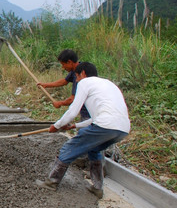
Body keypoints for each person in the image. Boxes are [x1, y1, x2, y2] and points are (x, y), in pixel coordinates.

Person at [36, 62, 130, 199]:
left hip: (105, 125)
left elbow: (73, 111)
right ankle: (97, 188)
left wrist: (56, 126)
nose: (77, 80)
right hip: (122, 129)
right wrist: (74, 126)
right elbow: (96, 118)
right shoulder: (109, 84)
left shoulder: (85, 83)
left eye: (77, 77)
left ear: (83, 73)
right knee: (94, 149)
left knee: (69, 148)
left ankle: (51, 182)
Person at [37, 49, 90, 121]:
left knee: (85, 129)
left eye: (63, 64)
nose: (63, 67)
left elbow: (72, 99)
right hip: (88, 109)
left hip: (88, 110)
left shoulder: (80, 74)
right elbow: (65, 81)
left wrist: (60, 103)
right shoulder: (78, 68)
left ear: (69, 62)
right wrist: (46, 85)